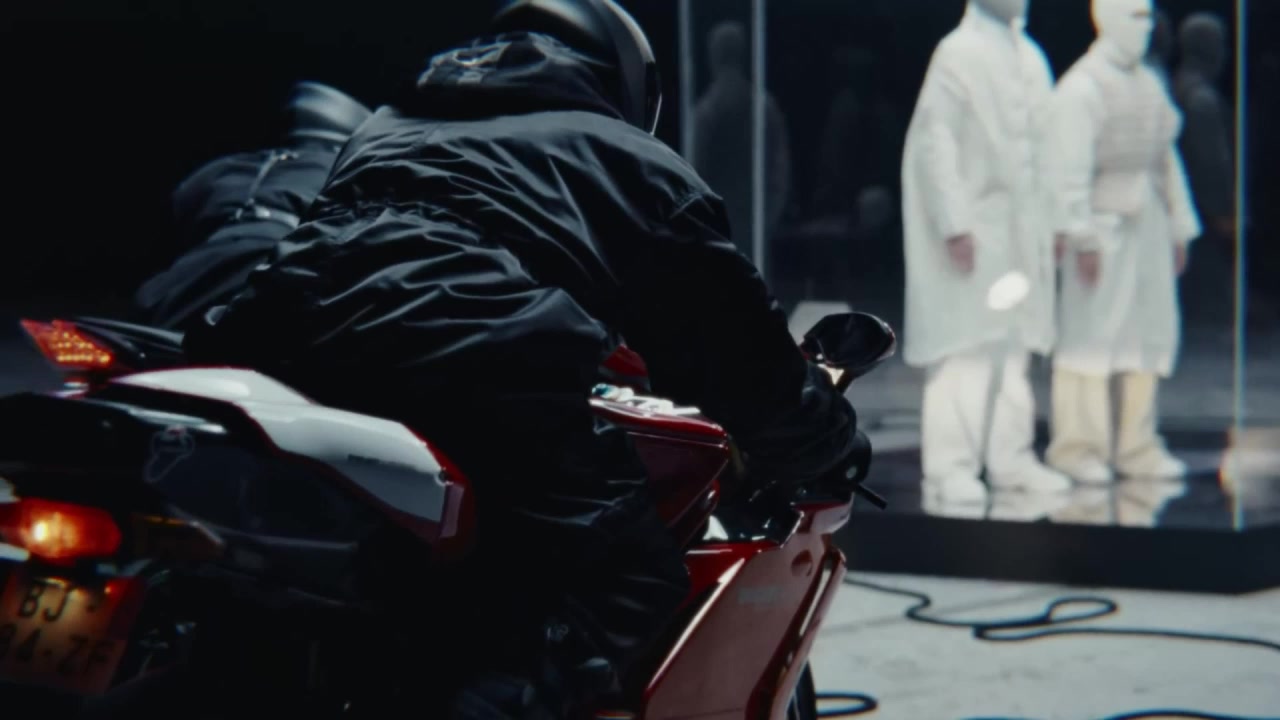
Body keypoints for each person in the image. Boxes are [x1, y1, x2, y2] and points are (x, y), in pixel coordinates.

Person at [183, 1, 860, 717]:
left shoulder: (383, 131)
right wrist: (833, 443)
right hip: (469, 357)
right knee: (624, 577)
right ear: (624, 81)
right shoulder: (626, 156)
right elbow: (740, 358)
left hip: (279, 341)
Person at [900, 0, 1070, 503]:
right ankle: (950, 465)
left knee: (1013, 347)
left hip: (1022, 228)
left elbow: (1051, 149)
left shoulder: (1031, 56)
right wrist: (954, 222)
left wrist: (1057, 221)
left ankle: (1010, 457)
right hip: (977, 225)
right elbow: (936, 142)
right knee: (965, 348)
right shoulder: (957, 52)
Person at [1044, 0, 1201, 484]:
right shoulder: (1082, 87)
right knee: (1091, 338)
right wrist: (1082, 236)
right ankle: (1078, 447)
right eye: (1134, 14)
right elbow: (1066, 171)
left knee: (1145, 336)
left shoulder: (1150, 83)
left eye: (1147, 16)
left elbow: (1166, 161)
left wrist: (1179, 226)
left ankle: (1137, 445)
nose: (1144, 26)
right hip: (1102, 224)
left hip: (1147, 224)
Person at [132, 82, 372, 331]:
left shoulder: (222, 167)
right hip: (270, 273)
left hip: (171, 287)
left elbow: (160, 243)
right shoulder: (347, 170)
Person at [691, 20, 791, 260]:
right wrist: (769, 217)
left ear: (713, 56)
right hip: (754, 221)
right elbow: (780, 170)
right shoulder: (764, 106)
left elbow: (693, 172)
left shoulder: (706, 110)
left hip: (717, 226)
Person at [1173, 12, 1234, 244]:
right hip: (1206, 218)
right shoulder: (1201, 99)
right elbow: (1212, 162)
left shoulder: (1175, 85)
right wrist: (1224, 212)